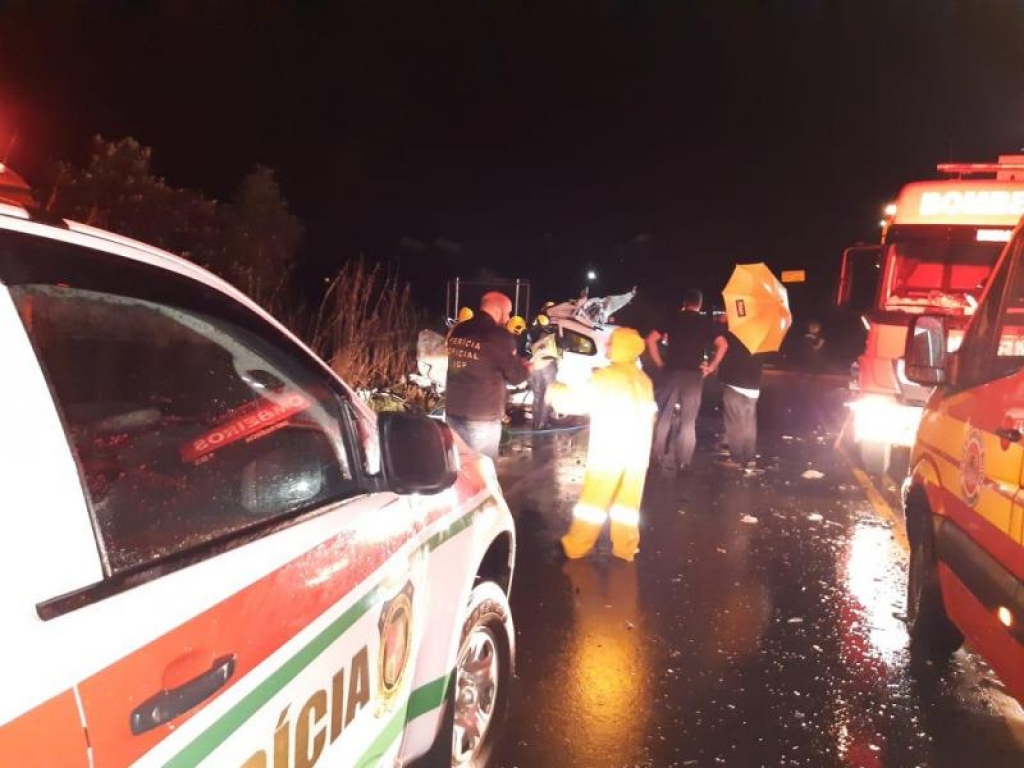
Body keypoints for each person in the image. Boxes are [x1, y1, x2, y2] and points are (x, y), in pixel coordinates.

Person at [558, 327, 655, 562]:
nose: (607, 346)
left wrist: (556, 390)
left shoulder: (606, 376)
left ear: (622, 347)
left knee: (593, 503)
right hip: (637, 455)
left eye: (611, 342)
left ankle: (576, 546)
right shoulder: (644, 380)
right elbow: (652, 415)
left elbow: (577, 402)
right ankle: (626, 548)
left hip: (608, 451)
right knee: (627, 506)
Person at [645, 289, 727, 474]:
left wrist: (660, 364)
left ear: (684, 303)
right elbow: (723, 345)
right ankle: (684, 462)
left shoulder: (672, 318)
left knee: (664, 416)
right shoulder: (705, 323)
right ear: (700, 304)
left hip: (671, 373)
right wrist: (711, 366)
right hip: (693, 377)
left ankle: (656, 457)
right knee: (688, 421)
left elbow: (650, 340)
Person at [446, 292, 529, 459]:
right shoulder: (500, 337)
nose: (508, 318)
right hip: (482, 415)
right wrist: (528, 368)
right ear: (498, 310)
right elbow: (516, 377)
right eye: (508, 313)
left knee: (458, 464)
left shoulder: (459, 330)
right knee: (483, 467)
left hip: (453, 411)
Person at [713, 328, 765, 472]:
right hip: (754, 385)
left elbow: (724, 351)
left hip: (734, 382)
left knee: (734, 423)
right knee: (749, 423)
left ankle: (736, 458)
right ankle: (750, 459)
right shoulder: (762, 338)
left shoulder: (734, 334)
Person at [527, 311, 559, 430]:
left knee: (537, 395)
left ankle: (536, 423)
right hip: (546, 366)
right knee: (546, 395)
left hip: (533, 366)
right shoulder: (548, 336)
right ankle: (542, 423)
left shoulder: (529, 333)